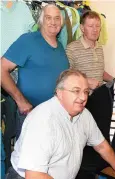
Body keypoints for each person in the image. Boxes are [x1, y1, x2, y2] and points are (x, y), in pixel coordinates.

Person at [6, 69, 115, 179]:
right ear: (59, 93)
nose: (83, 97)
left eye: (86, 91)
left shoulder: (84, 114)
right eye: (76, 91)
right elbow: (34, 175)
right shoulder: (43, 120)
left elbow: (102, 146)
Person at [1, 4, 69, 138]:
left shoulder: (60, 47)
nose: (53, 22)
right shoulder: (28, 40)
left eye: (57, 18)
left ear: (61, 23)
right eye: (48, 18)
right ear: (41, 21)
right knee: (28, 157)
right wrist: (21, 101)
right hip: (31, 114)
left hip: (55, 116)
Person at [66, 10, 113, 90]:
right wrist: (86, 81)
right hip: (81, 99)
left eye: (97, 26)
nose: (95, 30)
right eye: (91, 26)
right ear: (82, 28)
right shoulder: (72, 48)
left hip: (98, 97)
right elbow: (66, 76)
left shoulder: (99, 47)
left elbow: (100, 72)